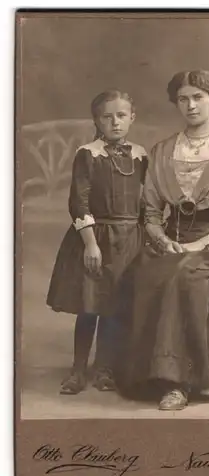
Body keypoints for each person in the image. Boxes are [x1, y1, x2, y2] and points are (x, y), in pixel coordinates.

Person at [117, 70, 209, 410]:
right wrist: (159, 237)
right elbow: (150, 212)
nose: (191, 105)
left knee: (180, 277)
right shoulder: (163, 150)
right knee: (138, 271)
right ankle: (141, 373)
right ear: (176, 104)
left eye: (198, 97)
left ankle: (177, 383)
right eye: (183, 98)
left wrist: (199, 244)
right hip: (171, 238)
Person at [46, 89, 148, 395]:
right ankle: (78, 370)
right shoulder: (88, 154)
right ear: (97, 120)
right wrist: (90, 243)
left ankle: (104, 368)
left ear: (132, 117)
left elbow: (146, 200)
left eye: (121, 115)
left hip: (130, 239)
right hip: (97, 237)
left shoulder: (141, 155)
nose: (115, 122)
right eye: (107, 117)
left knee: (114, 307)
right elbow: (79, 201)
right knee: (90, 306)